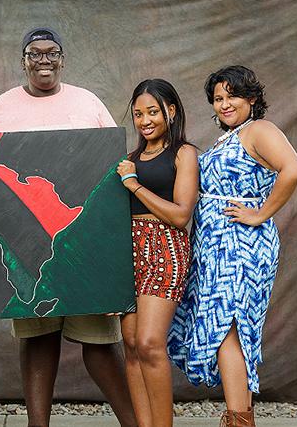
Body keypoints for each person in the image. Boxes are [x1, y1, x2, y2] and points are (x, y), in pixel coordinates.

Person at [0, 27, 137, 427]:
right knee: (37, 338)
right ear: (23, 61)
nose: (44, 60)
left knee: (100, 342)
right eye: (35, 53)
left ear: (63, 59)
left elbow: (112, 167)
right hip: (26, 243)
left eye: (52, 53)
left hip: (84, 238)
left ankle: (133, 423)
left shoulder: (88, 103)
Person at [167, 65, 297, 427]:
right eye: (218, 99)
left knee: (230, 328)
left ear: (252, 98)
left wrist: (260, 213)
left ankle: (238, 420)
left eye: (232, 96)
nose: (224, 104)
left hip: (241, 246)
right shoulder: (229, 137)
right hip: (213, 246)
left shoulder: (259, 130)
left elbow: (293, 169)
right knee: (229, 331)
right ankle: (240, 418)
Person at [116, 79, 198, 427]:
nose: (145, 120)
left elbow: (181, 215)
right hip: (129, 252)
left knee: (150, 343)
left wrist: (134, 184)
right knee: (132, 345)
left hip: (165, 248)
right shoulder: (130, 159)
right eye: (138, 114)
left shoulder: (183, 153)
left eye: (153, 112)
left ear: (171, 111)